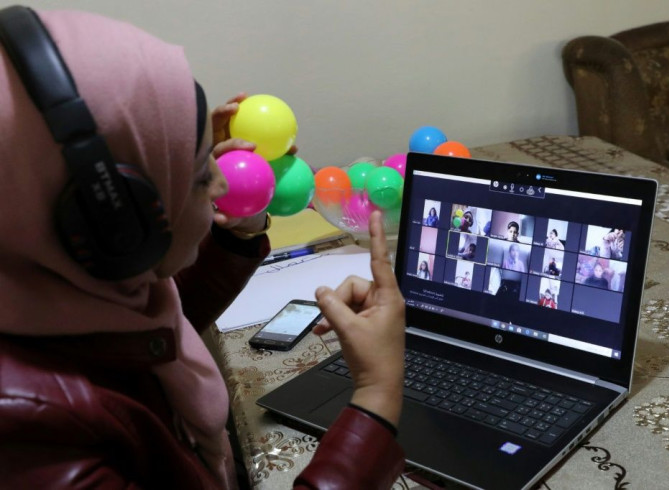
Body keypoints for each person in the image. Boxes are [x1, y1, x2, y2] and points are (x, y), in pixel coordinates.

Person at [0, 8, 405, 490]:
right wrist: (376, 397)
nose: (219, 184)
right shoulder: (36, 442)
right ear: (117, 224)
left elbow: (151, 334)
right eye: (198, 178)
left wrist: (238, 230)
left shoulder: (51, 292)